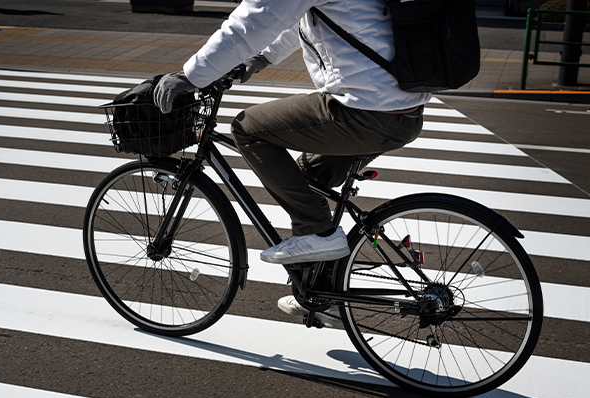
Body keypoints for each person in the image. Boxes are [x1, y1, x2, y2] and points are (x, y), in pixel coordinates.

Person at [154, 0, 429, 326]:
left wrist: (191, 76)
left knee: (247, 128)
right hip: (403, 113)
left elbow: (255, 18)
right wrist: (262, 57)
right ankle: (320, 295)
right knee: (307, 179)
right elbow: (293, 14)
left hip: (364, 110)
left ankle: (319, 233)